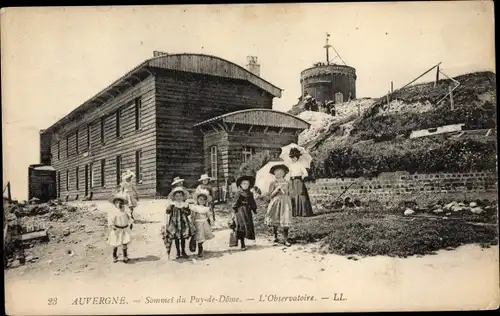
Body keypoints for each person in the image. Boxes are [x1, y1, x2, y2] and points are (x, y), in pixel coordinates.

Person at [265, 164, 292, 246]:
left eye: (280, 172)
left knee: (285, 219)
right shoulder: (273, 183)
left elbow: (291, 193)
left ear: (284, 173)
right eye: (276, 172)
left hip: (285, 202)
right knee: (275, 218)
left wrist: (286, 193)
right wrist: (276, 190)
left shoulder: (287, 182)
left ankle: (286, 239)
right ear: (274, 174)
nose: (278, 173)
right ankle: (275, 236)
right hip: (275, 202)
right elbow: (270, 195)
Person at [165, 187, 195, 259]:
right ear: (174, 197)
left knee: (183, 238)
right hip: (175, 224)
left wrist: (183, 209)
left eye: (180, 196)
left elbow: (188, 213)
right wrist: (170, 208)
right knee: (176, 238)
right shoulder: (173, 204)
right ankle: (178, 252)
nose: (179, 197)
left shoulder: (185, 204)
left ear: (183, 197)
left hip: (183, 223)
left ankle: (183, 251)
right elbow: (167, 212)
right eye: (177, 196)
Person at [231, 175, 257, 250]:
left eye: (247, 184)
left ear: (249, 185)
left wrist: (254, 209)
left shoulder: (250, 193)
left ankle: (245, 239)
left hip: (247, 211)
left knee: (247, 225)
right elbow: (235, 203)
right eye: (244, 184)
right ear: (240, 185)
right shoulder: (239, 193)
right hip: (240, 211)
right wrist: (234, 211)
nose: (245, 185)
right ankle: (242, 243)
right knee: (241, 226)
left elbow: (252, 202)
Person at [107, 193, 134, 263]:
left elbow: (130, 217)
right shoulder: (113, 212)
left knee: (125, 242)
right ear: (114, 204)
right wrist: (112, 226)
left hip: (124, 228)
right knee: (115, 243)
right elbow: (110, 220)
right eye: (117, 203)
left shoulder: (125, 210)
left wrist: (131, 223)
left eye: (120, 203)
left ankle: (125, 256)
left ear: (122, 204)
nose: (119, 204)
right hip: (117, 229)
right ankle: (114, 256)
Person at [288, 147, 314, 217]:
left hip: (298, 181)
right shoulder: (290, 166)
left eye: (294, 157)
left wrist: (301, 177)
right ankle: (295, 213)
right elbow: (288, 174)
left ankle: (304, 212)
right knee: (293, 195)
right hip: (292, 182)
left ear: (297, 157)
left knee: (301, 195)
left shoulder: (300, 165)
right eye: (291, 157)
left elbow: (305, 173)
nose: (293, 159)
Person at [189, 189, 215, 257]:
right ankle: (199, 249)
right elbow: (193, 216)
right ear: (197, 200)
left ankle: (200, 247)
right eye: (200, 199)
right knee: (198, 236)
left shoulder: (206, 208)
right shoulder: (195, 208)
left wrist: (210, 222)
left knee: (203, 237)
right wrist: (192, 224)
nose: (202, 201)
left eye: (204, 199)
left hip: (204, 223)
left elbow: (208, 216)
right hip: (198, 223)